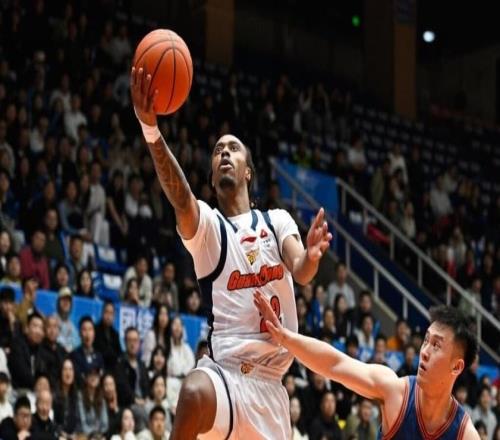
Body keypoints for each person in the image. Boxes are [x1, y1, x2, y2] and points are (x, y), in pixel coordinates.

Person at [131, 65, 331, 440]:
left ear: (248, 172)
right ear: (211, 177)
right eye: (217, 150)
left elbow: (301, 271)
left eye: (233, 148)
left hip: (271, 386)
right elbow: (181, 199)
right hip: (224, 376)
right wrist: (151, 130)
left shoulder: (277, 220)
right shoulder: (210, 229)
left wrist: (313, 256)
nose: (224, 152)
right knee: (193, 391)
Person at [254, 297, 481, 439]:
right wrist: (284, 337)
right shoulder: (396, 392)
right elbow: (335, 364)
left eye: (436, 345)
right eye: (426, 340)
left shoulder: (464, 434)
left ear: (456, 367)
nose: (424, 351)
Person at [94, 301, 121, 371]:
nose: (108, 316)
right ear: (102, 313)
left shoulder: (115, 334)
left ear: (114, 316)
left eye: (111, 313)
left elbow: (119, 353)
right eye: (106, 312)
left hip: (112, 368)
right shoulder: (95, 330)